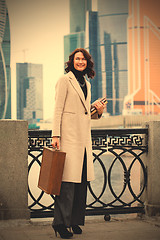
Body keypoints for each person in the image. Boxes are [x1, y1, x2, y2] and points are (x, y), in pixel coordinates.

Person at [51, 48, 105, 239]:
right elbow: (58, 109)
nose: (80, 62)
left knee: (81, 183)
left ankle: (74, 221)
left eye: (83, 59)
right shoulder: (64, 80)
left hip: (83, 141)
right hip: (67, 138)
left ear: (87, 62)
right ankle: (60, 224)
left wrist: (97, 110)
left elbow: (85, 114)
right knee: (66, 185)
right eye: (77, 59)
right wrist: (55, 135)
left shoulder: (86, 84)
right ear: (71, 61)